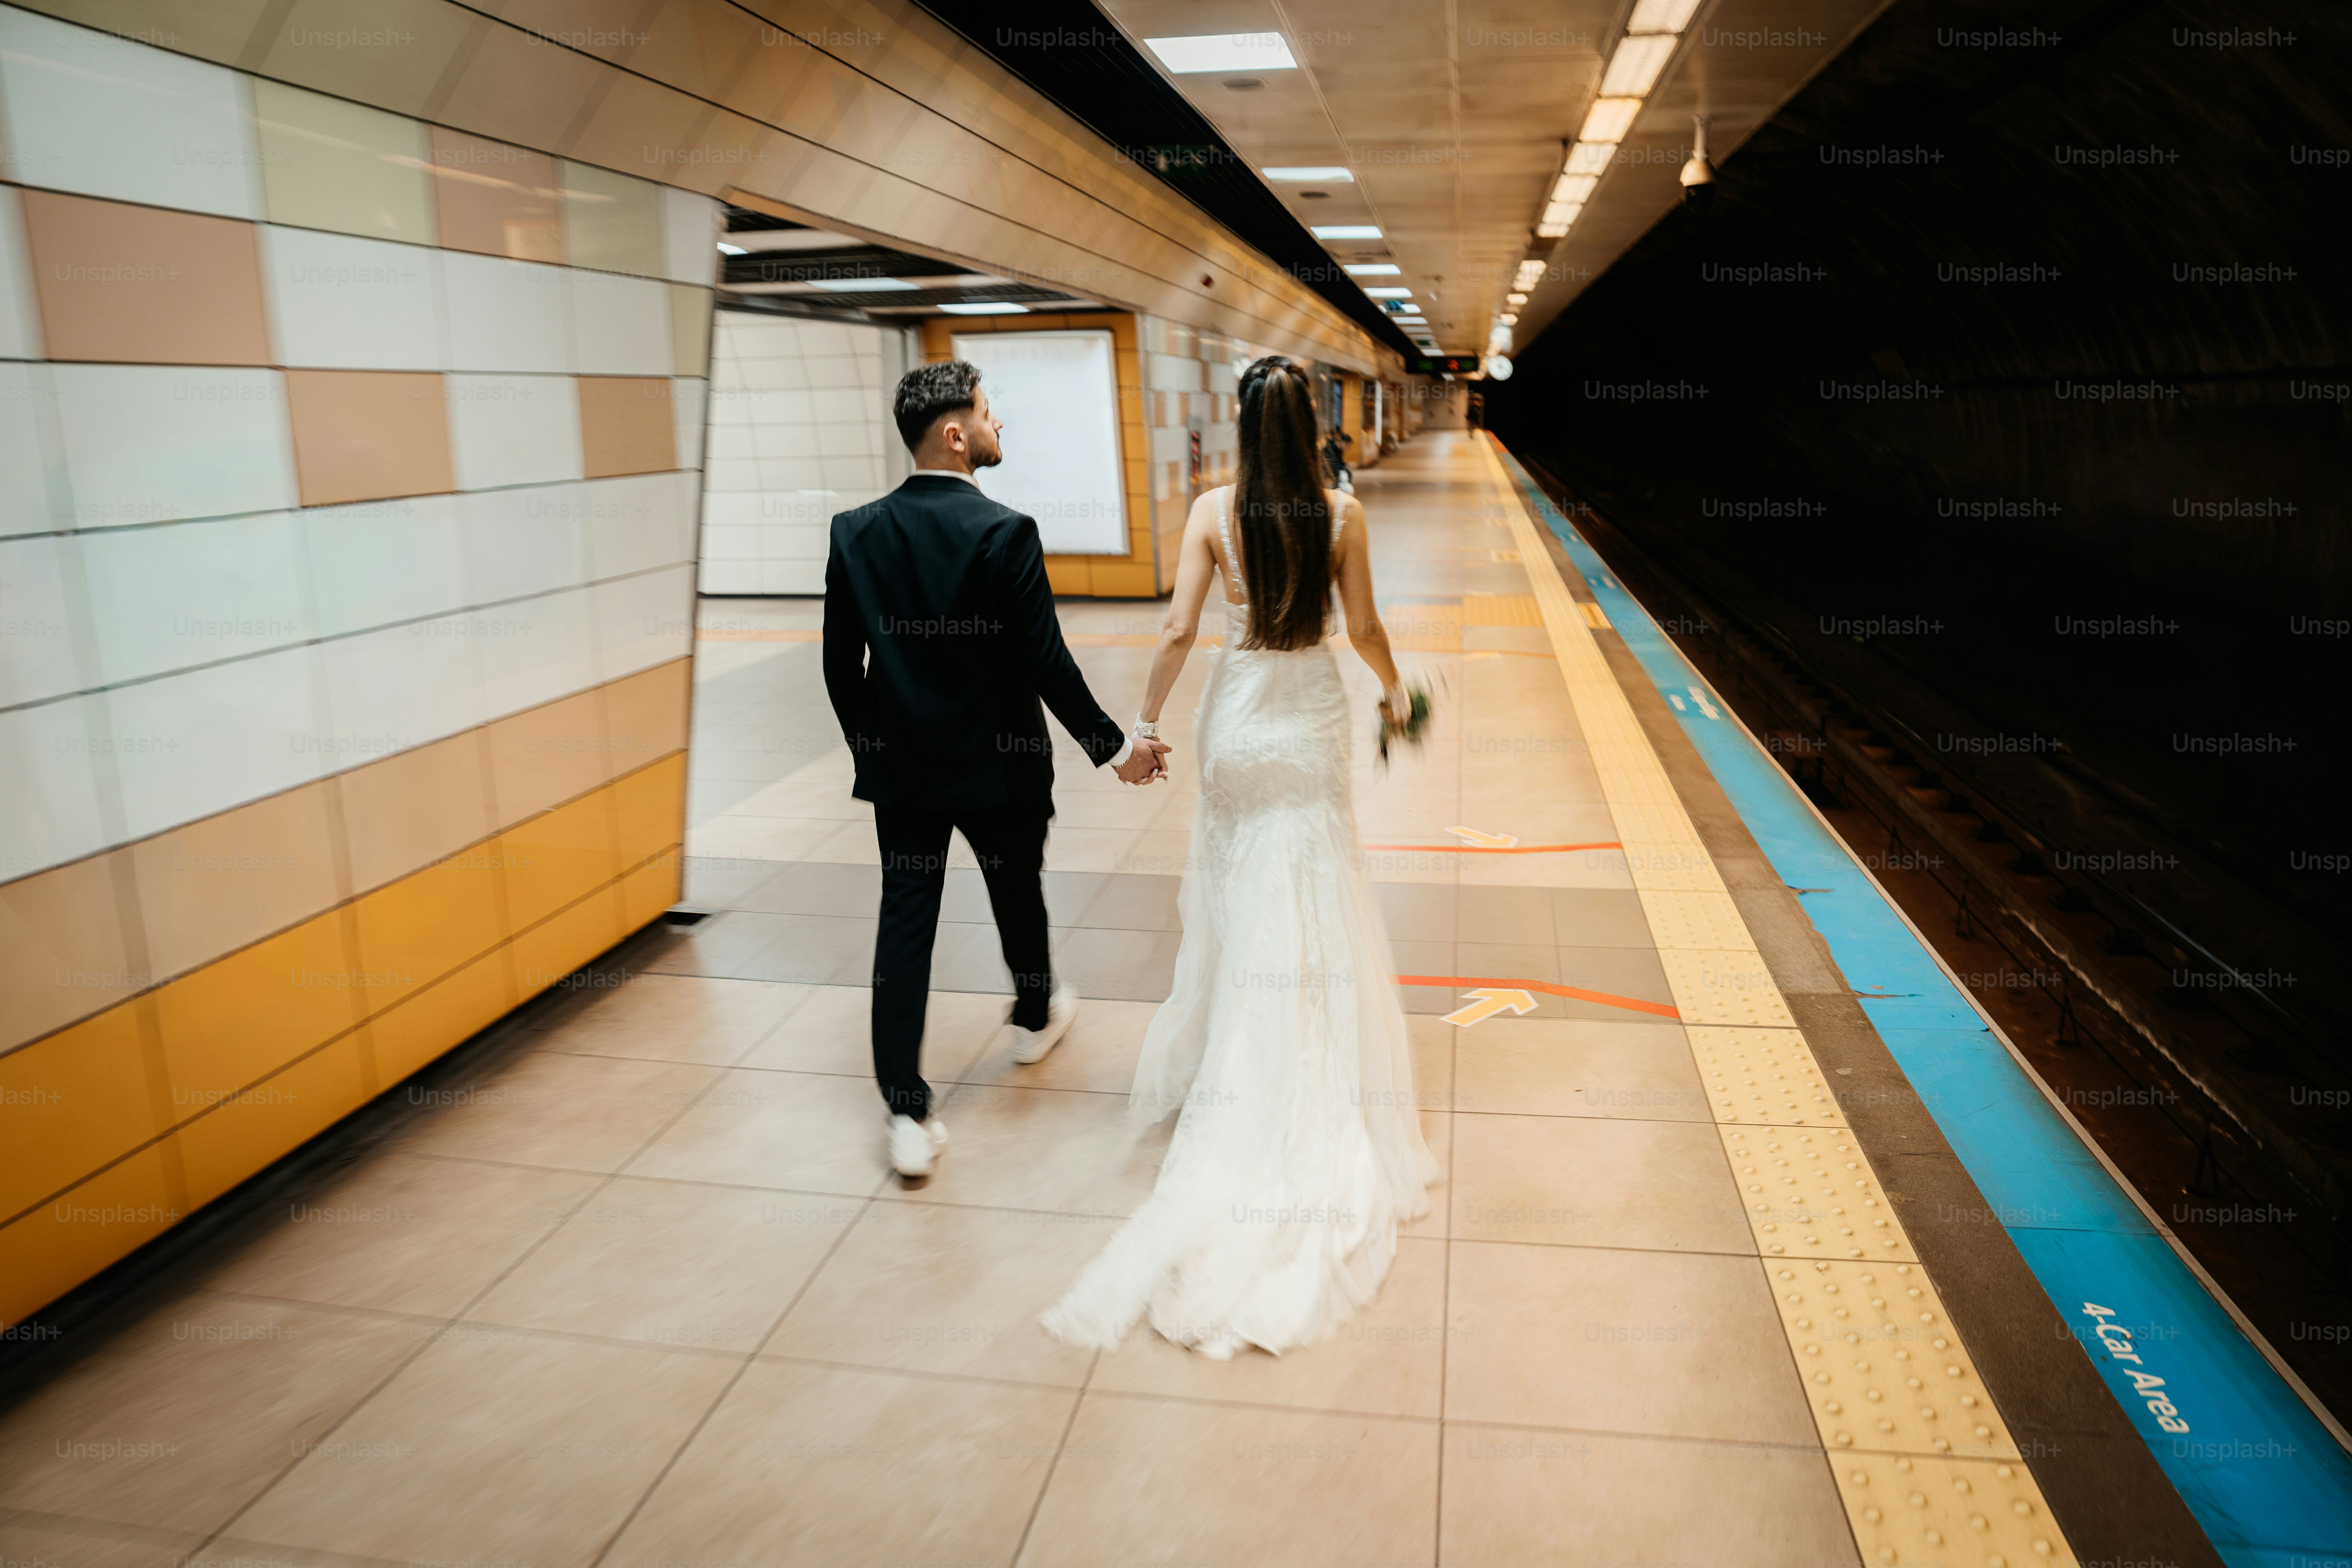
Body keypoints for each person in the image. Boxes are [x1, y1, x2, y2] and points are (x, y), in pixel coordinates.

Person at [1041, 355, 1440, 1359]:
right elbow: (1366, 627)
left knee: (1236, 892)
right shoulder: (1342, 514)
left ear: (1239, 424)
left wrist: (1138, 722)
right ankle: (1302, 1060)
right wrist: (1395, 692)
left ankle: (1235, 1057)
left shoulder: (1213, 511)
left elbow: (1179, 628)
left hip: (1239, 719)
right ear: (1310, 425)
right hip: (1304, 717)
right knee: (1311, 883)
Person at [823, 361, 1169, 1180]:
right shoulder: (1003, 531)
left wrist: (874, 751)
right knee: (1016, 889)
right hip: (999, 767)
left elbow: (842, 668)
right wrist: (1116, 751)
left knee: (904, 924)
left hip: (903, 775)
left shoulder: (856, 531)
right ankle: (1035, 1014)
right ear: (955, 434)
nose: (997, 425)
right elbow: (1044, 659)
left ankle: (907, 1111)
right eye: (987, 412)